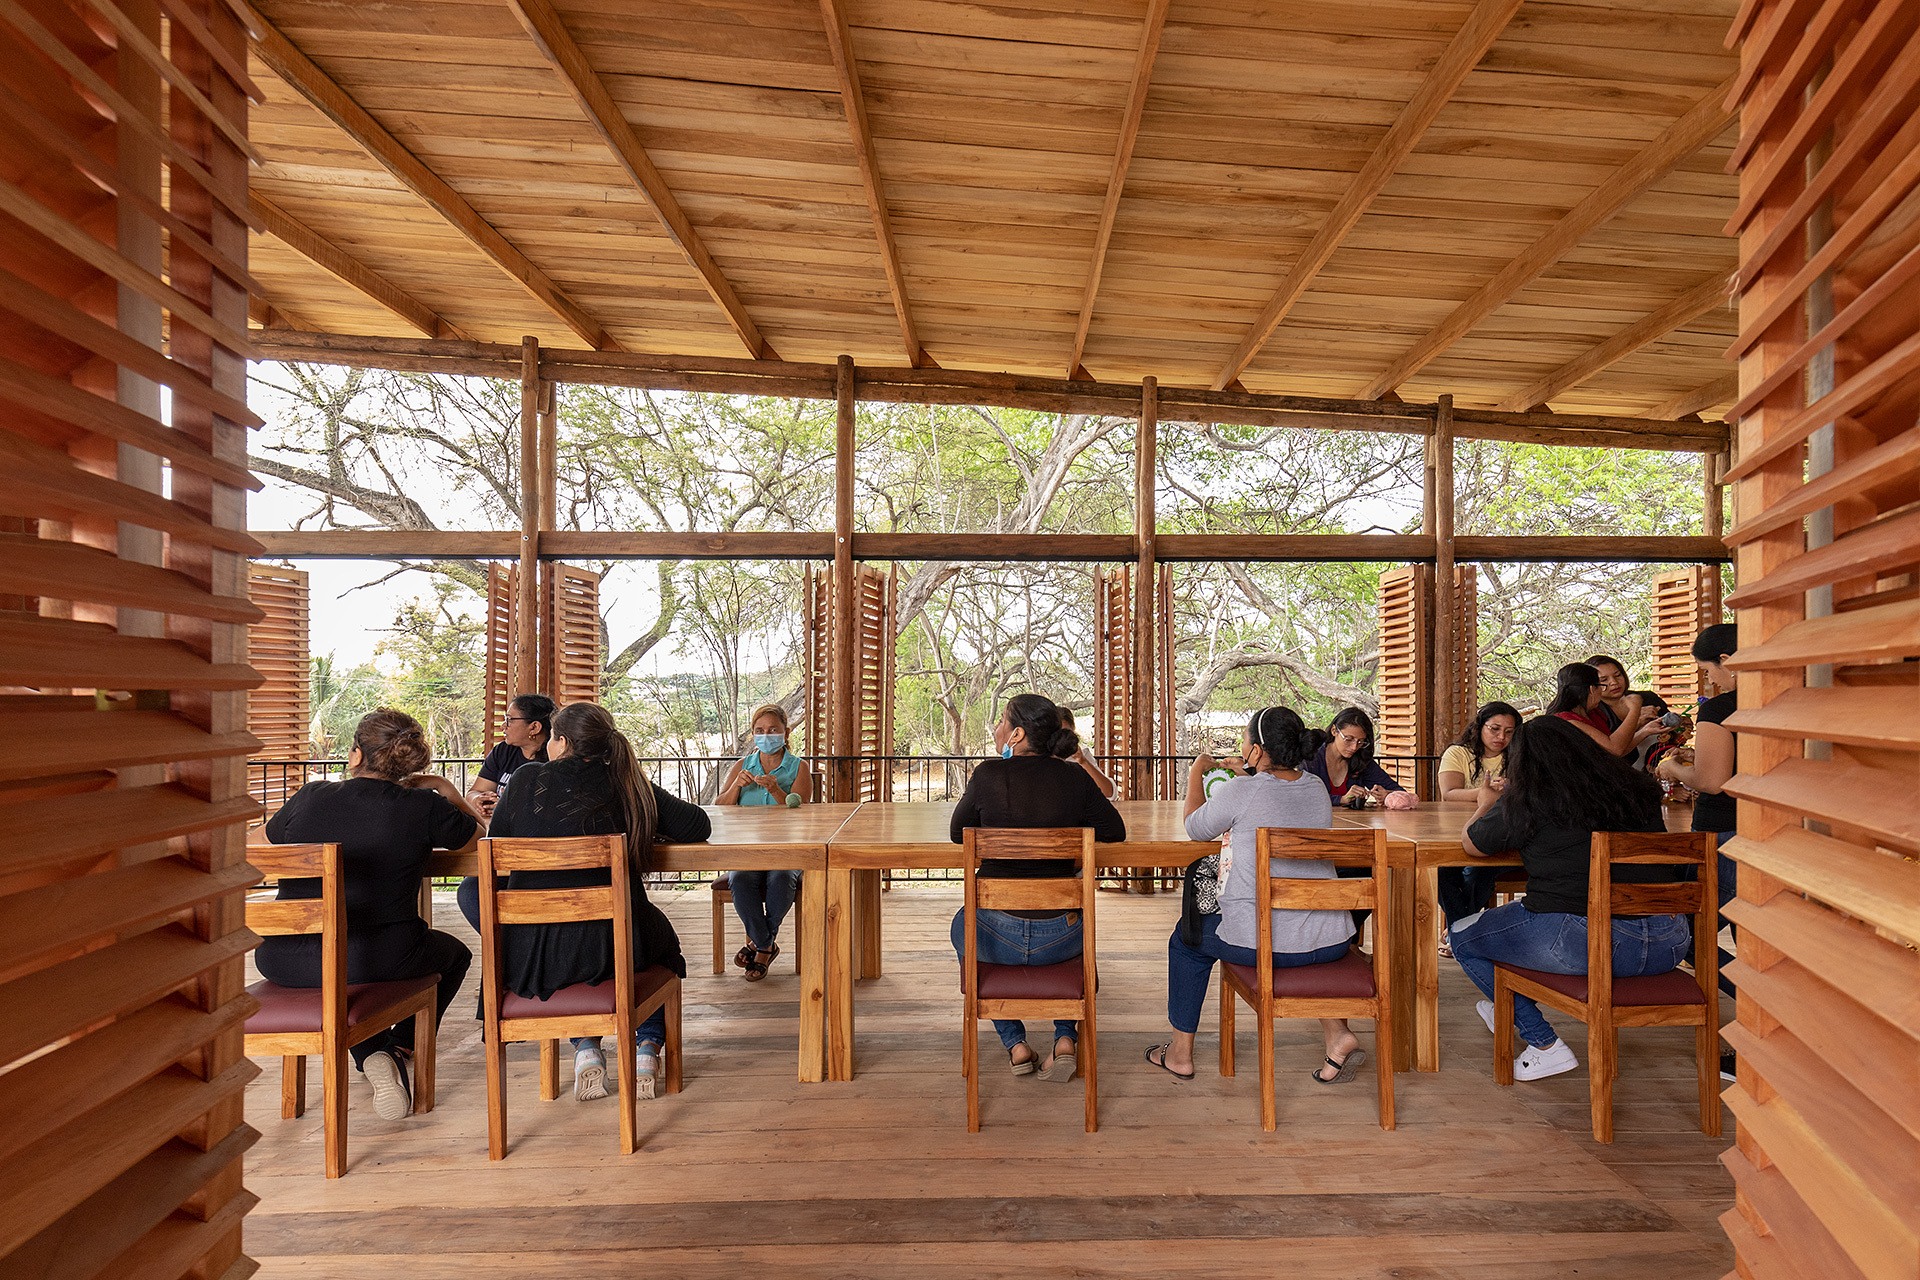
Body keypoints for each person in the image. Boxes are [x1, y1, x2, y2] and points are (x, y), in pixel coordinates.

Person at [458, 702, 712, 1103]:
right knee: (659, 937)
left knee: (555, 935)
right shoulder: (625, 780)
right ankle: (647, 1048)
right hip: (616, 946)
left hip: (534, 959)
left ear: (560, 742)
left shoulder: (525, 780)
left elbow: (500, 843)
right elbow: (698, 825)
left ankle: (586, 1047)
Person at [258, 708, 482, 1120]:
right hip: (383, 957)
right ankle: (397, 1045)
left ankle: (374, 1052)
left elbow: (266, 842)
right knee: (457, 955)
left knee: (338, 972)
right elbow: (478, 842)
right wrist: (447, 791)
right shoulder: (421, 806)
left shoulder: (310, 796)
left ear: (356, 755)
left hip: (284, 959)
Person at [1449, 715, 1692, 1081]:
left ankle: (1542, 1042)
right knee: (1512, 925)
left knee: (1463, 935)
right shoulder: (1635, 788)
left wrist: (1486, 802)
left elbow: (1473, 844)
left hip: (1592, 944)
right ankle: (1504, 1005)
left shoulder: (1530, 798)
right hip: (1670, 940)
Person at [1146, 706, 1364, 1086]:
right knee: (1297, 926)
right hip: (1330, 941)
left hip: (1266, 944)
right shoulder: (1315, 787)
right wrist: (1247, 774)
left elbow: (1196, 828)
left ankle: (1180, 1054)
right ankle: (1338, 1035)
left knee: (1187, 938)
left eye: (1246, 743)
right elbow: (1275, 792)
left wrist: (1198, 769)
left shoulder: (1241, 790)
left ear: (1258, 750)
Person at [950, 693, 1124, 1082]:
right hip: (1061, 937)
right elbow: (1115, 830)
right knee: (1082, 922)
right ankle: (1065, 1038)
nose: (995, 729)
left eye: (1000, 722)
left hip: (996, 935)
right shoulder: (1075, 778)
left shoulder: (987, 776)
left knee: (961, 923)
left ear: (1016, 734)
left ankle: (1016, 1044)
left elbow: (957, 833)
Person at [1654, 622, 1740, 1059]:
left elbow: (1712, 781)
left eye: (1708, 671)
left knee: (1687, 933)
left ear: (1727, 661)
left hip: (1722, 833)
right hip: (1771, 834)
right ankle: (1763, 1025)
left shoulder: (1719, 708)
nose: (1710, 681)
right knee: (1756, 938)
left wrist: (1674, 770)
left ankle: (1763, 1010)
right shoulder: (1783, 701)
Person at [715, 703, 812, 981]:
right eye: (759, 731)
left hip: (788, 849)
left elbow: (803, 810)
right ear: (753, 734)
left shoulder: (799, 767)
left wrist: (776, 790)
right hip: (748, 850)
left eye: (772, 730)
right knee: (740, 879)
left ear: (786, 732)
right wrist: (737, 786)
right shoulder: (742, 766)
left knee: (781, 878)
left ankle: (757, 945)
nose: (766, 735)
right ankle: (766, 944)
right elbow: (720, 805)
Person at [1436, 701, 1522, 935]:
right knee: (1442, 872)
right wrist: (1485, 794)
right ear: (1479, 726)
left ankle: (1459, 932)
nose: (1501, 737)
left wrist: (1511, 788)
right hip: (1457, 832)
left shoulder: (1521, 756)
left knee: (1477, 871)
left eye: (1508, 731)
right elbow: (1449, 794)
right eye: (1494, 728)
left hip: (1502, 837)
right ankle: (1464, 931)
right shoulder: (1458, 752)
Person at [1301, 708, 1416, 807]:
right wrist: (1340, 800)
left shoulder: (1361, 760)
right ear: (1334, 731)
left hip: (1354, 826)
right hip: (1318, 826)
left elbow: (1402, 793)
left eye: (1361, 741)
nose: (1354, 747)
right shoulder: (1311, 759)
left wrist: (1387, 795)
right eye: (1349, 739)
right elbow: (1303, 798)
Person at [467, 694, 554, 819]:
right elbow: (474, 792)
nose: (502, 726)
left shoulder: (554, 757)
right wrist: (477, 800)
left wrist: (507, 807)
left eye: (509, 720)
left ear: (534, 727)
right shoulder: (503, 751)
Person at [1586, 654, 1669, 768]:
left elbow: (1671, 731)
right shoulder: (1593, 712)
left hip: (1662, 764)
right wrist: (1637, 722)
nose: (1614, 682)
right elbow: (1607, 753)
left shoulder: (1648, 698)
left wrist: (1680, 724)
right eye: (1604, 680)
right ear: (1592, 686)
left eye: (1617, 675)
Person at [1055, 706, 1117, 798]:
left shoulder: (1081, 755)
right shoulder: (1038, 756)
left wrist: (1083, 761)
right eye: (1056, 734)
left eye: (1065, 733)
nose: (1061, 739)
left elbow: (1109, 794)